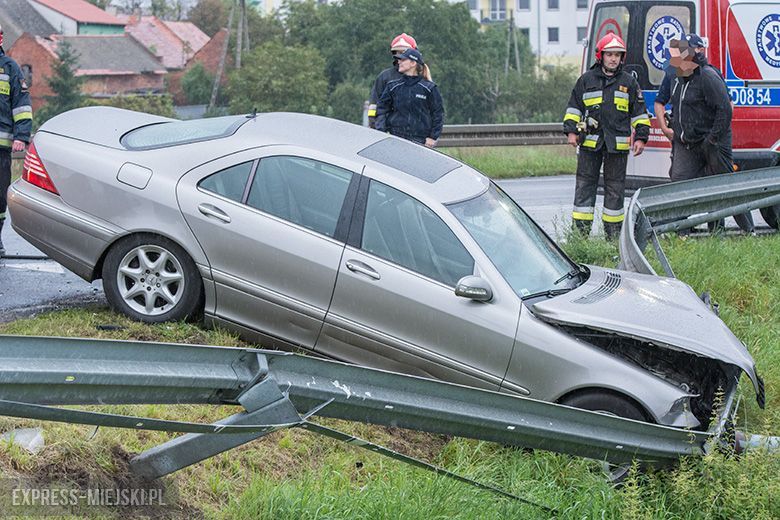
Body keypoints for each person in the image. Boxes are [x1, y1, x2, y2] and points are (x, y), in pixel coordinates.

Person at [661, 35, 754, 234]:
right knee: (679, 186)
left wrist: (712, 138)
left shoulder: (708, 76)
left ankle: (747, 229)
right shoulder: (677, 78)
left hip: (713, 140)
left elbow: (725, 109)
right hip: (688, 142)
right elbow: (676, 106)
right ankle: (679, 232)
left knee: (726, 185)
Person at [563, 33, 650, 239]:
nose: (613, 59)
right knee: (584, 187)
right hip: (590, 144)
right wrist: (570, 131)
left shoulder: (629, 82)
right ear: (600, 56)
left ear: (622, 58)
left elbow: (639, 112)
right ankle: (580, 235)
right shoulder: (586, 80)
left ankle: (613, 236)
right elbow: (574, 107)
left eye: (617, 55)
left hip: (616, 147)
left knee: (615, 190)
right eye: (609, 54)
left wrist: (641, 137)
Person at [0, 24, 33, 256]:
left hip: (1, 148)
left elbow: (21, 106)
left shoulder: (10, 68)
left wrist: (21, 136)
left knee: (0, 193)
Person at [374, 48, 444, 148]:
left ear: (413, 63)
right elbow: (381, 110)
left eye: (403, 59)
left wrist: (432, 137)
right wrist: (382, 132)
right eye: (399, 59)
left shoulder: (429, 88)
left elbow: (438, 113)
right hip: (396, 140)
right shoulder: (393, 87)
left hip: (421, 142)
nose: (399, 61)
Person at [367, 33, 418, 129]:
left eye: (405, 52)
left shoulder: (421, 78)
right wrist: (378, 129)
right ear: (394, 54)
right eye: (399, 52)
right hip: (388, 133)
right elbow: (374, 107)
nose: (402, 56)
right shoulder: (384, 77)